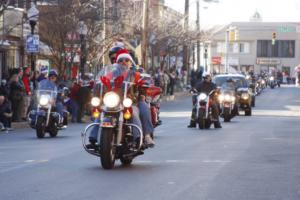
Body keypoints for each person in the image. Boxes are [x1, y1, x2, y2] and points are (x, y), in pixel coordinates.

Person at [88, 51, 155, 148]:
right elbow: (101, 82)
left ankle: (140, 138)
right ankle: (93, 137)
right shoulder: (110, 74)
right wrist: (97, 85)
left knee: (136, 112)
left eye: (127, 60)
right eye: (121, 60)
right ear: (116, 63)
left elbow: (143, 84)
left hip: (130, 101)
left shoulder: (135, 75)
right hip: (113, 102)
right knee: (101, 112)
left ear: (131, 63)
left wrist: (142, 88)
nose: (124, 62)